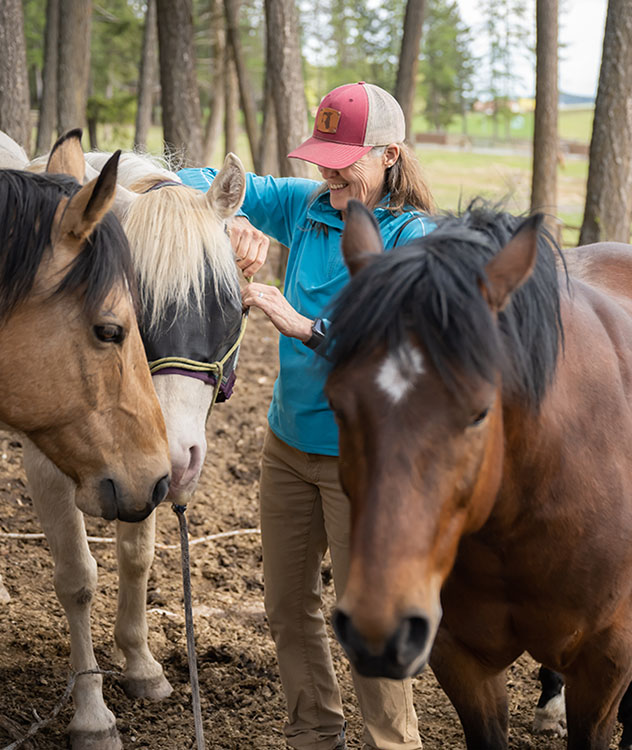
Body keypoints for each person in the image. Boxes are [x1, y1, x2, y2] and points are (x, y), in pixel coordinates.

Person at [179, 81, 435, 750]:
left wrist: (306, 325)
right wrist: (224, 213)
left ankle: (392, 744)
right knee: (288, 608)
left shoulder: (416, 236)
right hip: (287, 447)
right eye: (320, 155)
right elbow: (202, 178)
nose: (326, 170)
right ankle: (315, 736)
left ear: (388, 155)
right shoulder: (305, 206)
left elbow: (399, 337)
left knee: (369, 624)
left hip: (367, 462)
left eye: (341, 157)